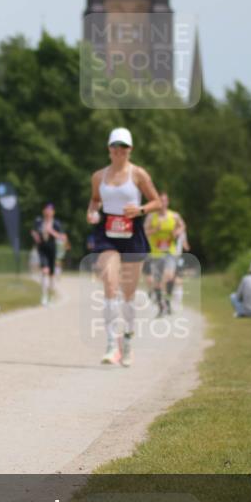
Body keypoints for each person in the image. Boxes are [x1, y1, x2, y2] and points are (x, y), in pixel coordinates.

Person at [86, 127, 161, 367]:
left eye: (124, 147)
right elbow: (96, 199)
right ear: (109, 149)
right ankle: (110, 344)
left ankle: (127, 342)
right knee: (109, 283)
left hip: (132, 232)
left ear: (130, 149)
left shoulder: (138, 174)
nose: (119, 151)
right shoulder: (99, 176)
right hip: (106, 232)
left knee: (128, 295)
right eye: (115, 147)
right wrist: (91, 211)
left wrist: (139, 210)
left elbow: (157, 202)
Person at [144, 193, 186, 316]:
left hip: (170, 251)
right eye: (160, 201)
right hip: (156, 253)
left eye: (165, 201)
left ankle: (166, 300)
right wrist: (154, 230)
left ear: (167, 202)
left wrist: (177, 232)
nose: (163, 203)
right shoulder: (151, 217)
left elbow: (183, 226)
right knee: (157, 283)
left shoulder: (174, 216)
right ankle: (161, 306)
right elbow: (144, 231)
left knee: (168, 276)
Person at [31, 203, 66, 305]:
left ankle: (51, 295)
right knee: (44, 271)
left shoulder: (56, 223)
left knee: (51, 274)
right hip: (42, 249)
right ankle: (44, 296)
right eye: (46, 210)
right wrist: (35, 236)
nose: (48, 212)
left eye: (50, 210)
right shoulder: (39, 221)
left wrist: (52, 232)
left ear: (53, 212)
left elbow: (62, 237)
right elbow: (33, 231)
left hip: (52, 249)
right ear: (44, 211)